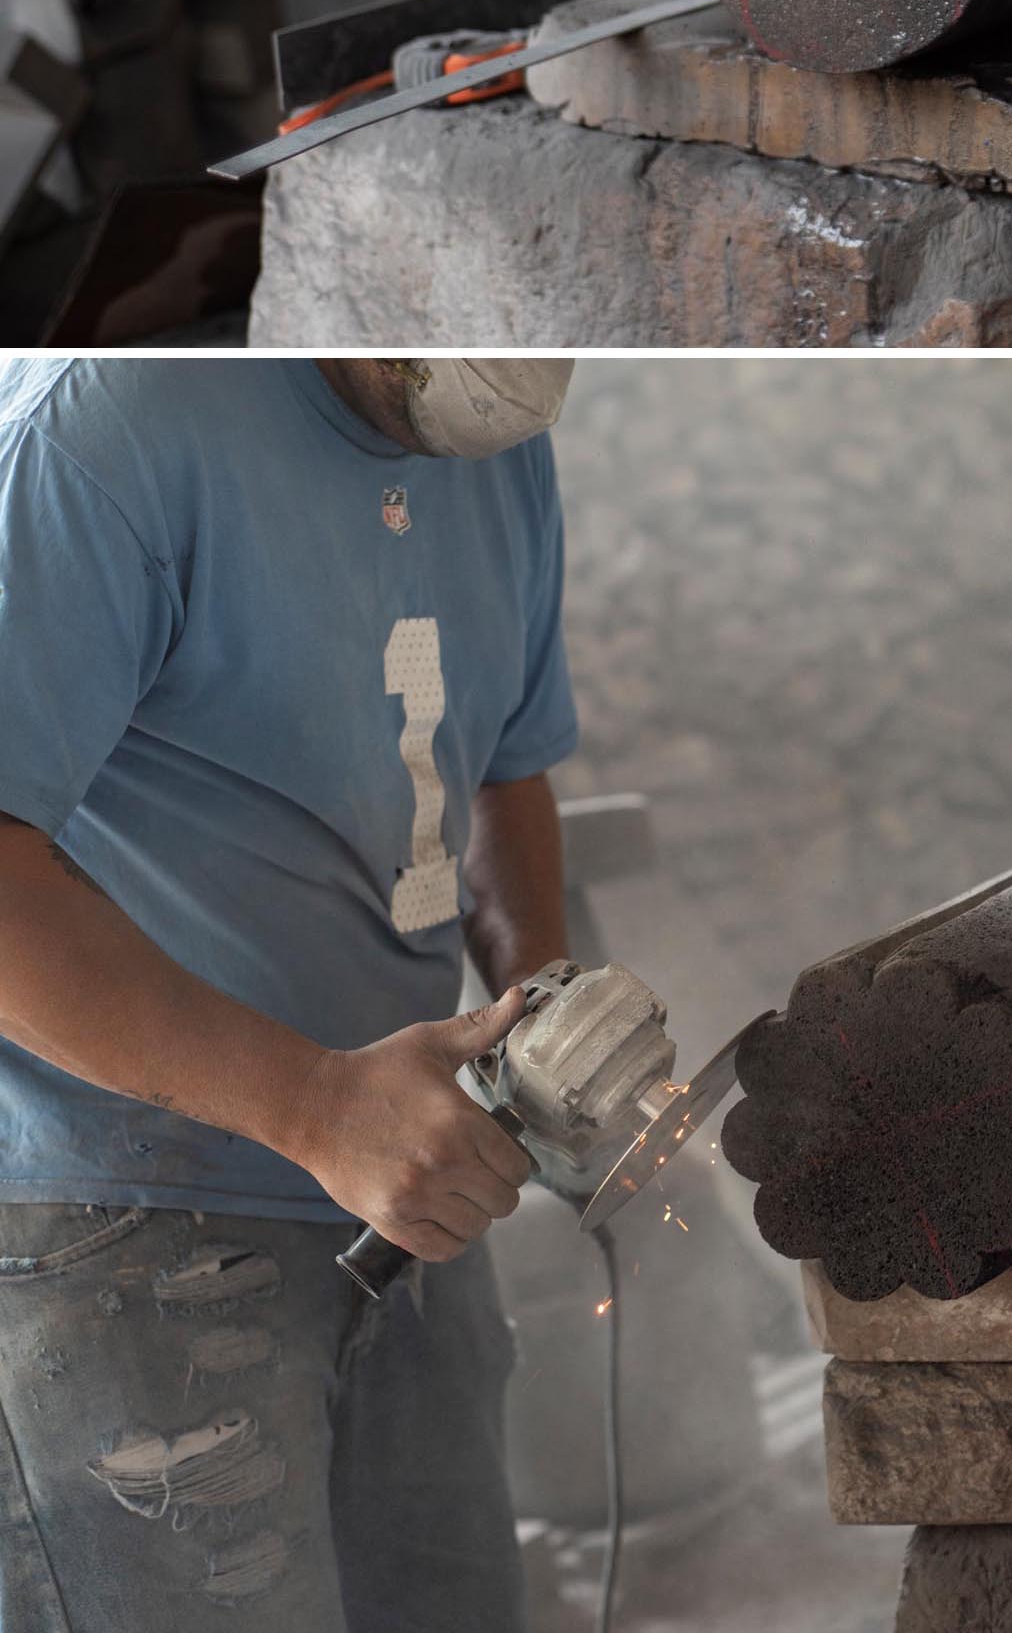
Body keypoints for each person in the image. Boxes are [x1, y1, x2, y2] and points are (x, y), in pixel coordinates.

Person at [0, 356, 579, 1633]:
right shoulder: (115, 425)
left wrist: (543, 997)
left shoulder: (497, 434)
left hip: (403, 1193)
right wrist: (317, 1104)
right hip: (119, 1219)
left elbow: (503, 773)